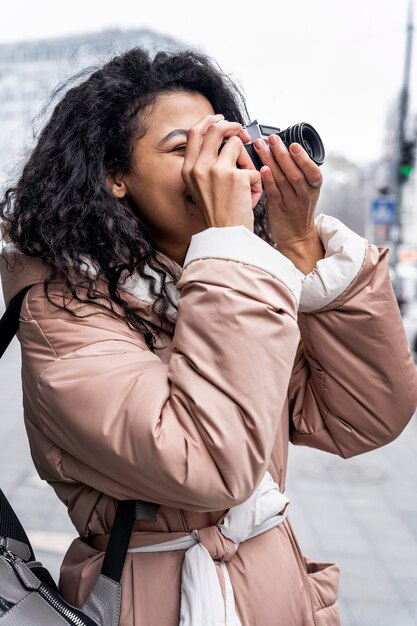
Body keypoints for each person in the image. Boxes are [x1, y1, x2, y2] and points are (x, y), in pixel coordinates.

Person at [1, 46, 416, 626]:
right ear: (115, 178)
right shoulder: (62, 313)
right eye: (183, 149)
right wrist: (232, 251)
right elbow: (209, 463)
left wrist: (297, 246)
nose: (213, 167)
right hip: (156, 602)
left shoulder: (226, 279)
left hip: (272, 592)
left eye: (223, 144)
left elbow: (366, 414)